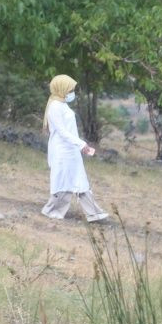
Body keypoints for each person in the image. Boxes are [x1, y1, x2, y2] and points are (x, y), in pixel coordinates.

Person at [40, 75, 108, 222]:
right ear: (62, 89)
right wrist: (81, 144)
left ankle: (94, 213)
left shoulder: (62, 104)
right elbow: (63, 132)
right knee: (64, 182)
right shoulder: (55, 107)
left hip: (71, 150)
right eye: (70, 89)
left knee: (80, 180)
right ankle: (52, 211)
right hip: (62, 151)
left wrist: (78, 145)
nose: (72, 92)